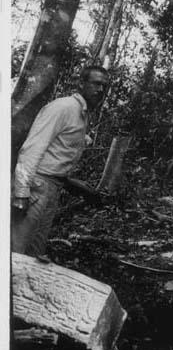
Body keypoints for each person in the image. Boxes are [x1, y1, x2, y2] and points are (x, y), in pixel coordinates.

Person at [11, 65, 109, 261]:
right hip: (36, 186)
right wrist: (21, 193)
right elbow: (32, 149)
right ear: (81, 84)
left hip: (52, 188)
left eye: (104, 86)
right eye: (96, 84)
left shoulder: (82, 113)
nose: (100, 90)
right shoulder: (63, 107)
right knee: (15, 251)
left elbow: (59, 154)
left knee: (35, 253)